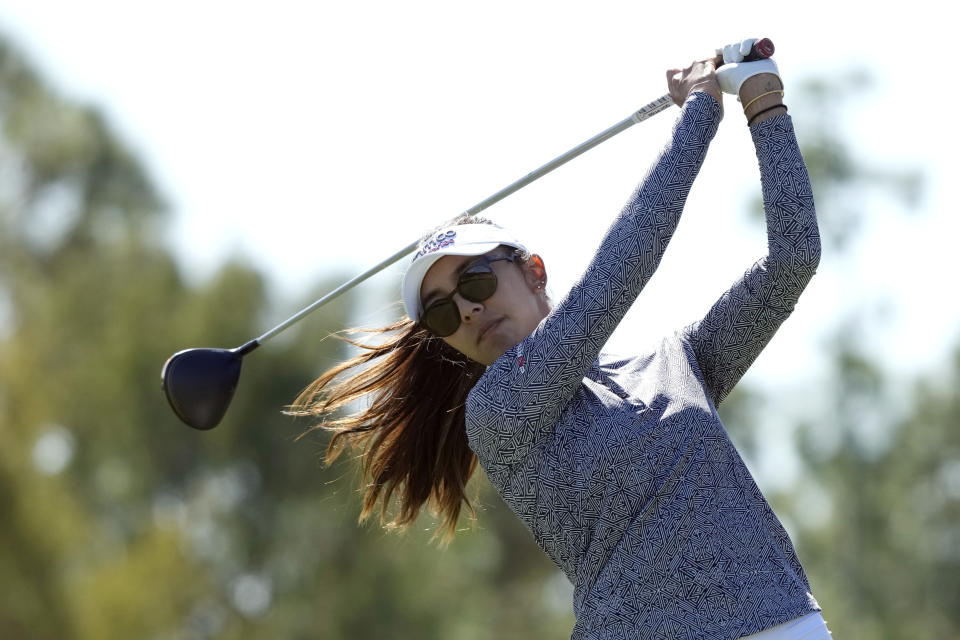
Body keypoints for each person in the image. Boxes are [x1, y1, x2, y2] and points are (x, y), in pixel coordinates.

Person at [289, 39, 830, 640]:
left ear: (534, 271)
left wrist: (764, 101)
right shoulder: (496, 414)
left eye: (476, 278)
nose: (467, 309)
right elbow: (619, 272)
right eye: (443, 314)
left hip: (789, 621)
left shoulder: (677, 366)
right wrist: (699, 115)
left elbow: (793, 260)